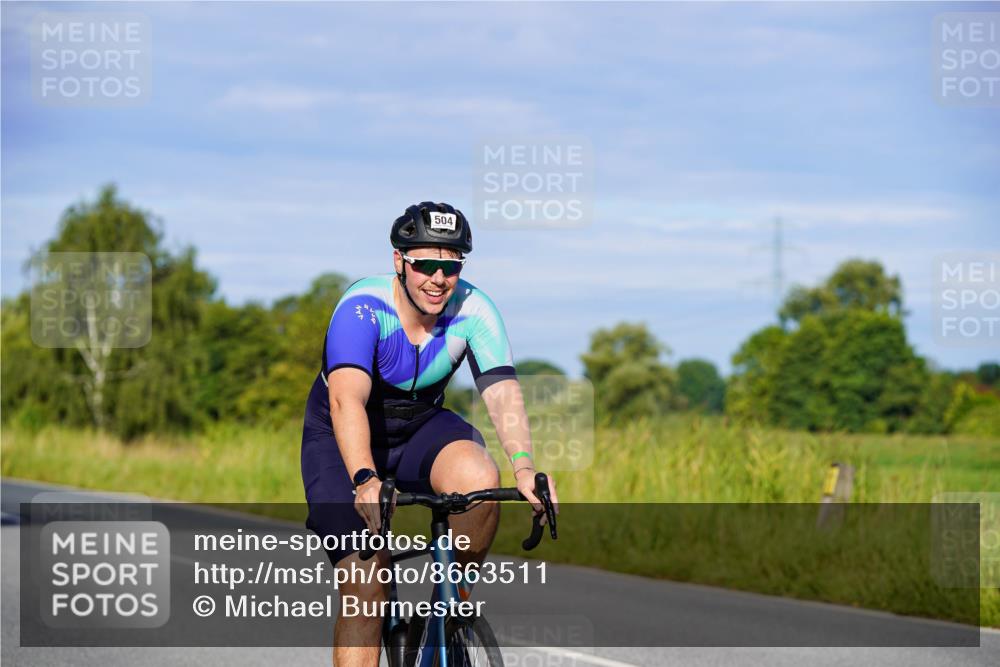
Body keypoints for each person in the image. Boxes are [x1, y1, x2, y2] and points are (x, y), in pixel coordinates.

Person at [300, 201, 557, 666]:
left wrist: (525, 469)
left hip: (419, 425)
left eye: (451, 265)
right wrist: (364, 478)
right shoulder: (362, 309)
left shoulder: (475, 309)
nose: (438, 278)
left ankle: (450, 609)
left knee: (481, 477)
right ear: (399, 261)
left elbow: (501, 394)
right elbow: (346, 401)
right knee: (365, 581)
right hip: (344, 435)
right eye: (425, 264)